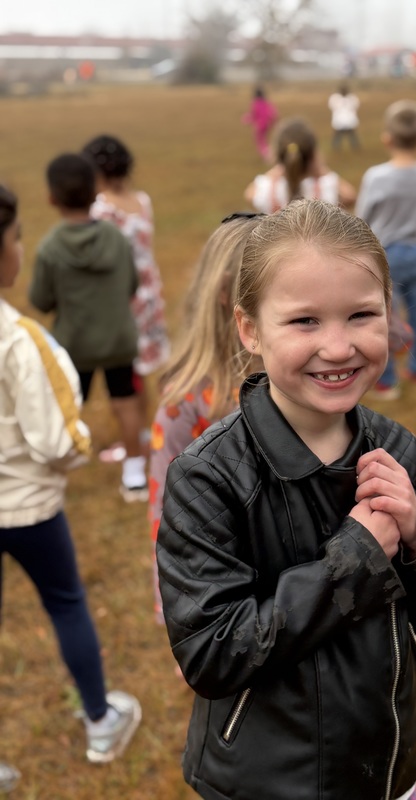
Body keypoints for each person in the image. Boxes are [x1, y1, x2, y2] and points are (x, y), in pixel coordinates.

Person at [157, 199, 416, 800]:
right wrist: (356, 556)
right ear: (250, 329)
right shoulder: (207, 477)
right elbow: (211, 654)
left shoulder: (398, 449)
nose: (338, 346)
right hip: (267, 780)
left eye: (360, 315)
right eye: (305, 321)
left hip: (383, 766)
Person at [0, 184, 141, 768]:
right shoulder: (20, 339)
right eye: (14, 236)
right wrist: (76, 456)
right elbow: (59, 439)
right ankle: (101, 723)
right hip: (27, 509)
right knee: (65, 601)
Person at [149, 212, 264, 624]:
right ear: (225, 293)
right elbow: (166, 510)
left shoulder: (299, 383)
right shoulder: (187, 400)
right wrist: (178, 608)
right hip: (225, 588)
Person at [28, 153, 148, 502]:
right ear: (94, 190)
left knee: (66, 406)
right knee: (126, 403)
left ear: (51, 197)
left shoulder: (50, 247)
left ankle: (58, 474)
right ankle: (135, 478)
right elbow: (132, 284)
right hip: (118, 340)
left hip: (74, 345)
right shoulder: (115, 236)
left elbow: (41, 299)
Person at [82, 134, 170, 463]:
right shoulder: (141, 200)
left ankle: (132, 443)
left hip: (123, 301)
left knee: (124, 383)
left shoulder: (101, 209)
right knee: (140, 372)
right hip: (150, 296)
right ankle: (143, 433)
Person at [356, 99, 416, 397]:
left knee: (382, 318)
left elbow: (362, 218)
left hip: (384, 254)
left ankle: (387, 381)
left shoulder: (375, 177)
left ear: (386, 138)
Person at [244, 117, 357, 213]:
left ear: (278, 154)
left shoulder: (268, 188)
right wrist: (321, 169)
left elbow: (249, 194)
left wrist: (279, 168)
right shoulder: (326, 186)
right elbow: (350, 196)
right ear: (313, 154)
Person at [242, 86, 278, 161]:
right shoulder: (267, 102)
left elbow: (254, 115)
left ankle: (267, 156)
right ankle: (268, 154)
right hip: (267, 124)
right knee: (264, 140)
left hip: (260, 125)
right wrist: (273, 123)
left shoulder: (255, 103)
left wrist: (246, 119)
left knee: (260, 141)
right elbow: (273, 114)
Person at [328, 83, 360, 151]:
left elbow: (331, 106)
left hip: (344, 121)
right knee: (346, 136)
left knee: (348, 136)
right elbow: (356, 106)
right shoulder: (351, 98)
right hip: (344, 121)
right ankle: (337, 147)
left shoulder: (335, 98)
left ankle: (354, 147)